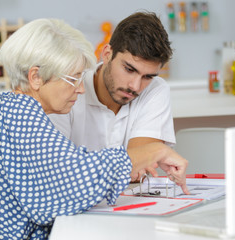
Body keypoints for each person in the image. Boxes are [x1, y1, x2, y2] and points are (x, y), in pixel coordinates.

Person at [0, 18, 188, 239]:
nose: (81, 89)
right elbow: (67, 181)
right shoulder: (19, 112)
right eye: (73, 78)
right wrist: (149, 152)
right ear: (35, 77)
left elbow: (61, 169)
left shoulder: (3, 108)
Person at [48, 12, 185, 181]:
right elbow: (58, 172)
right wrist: (135, 160)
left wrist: (138, 161)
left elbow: (137, 171)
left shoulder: (156, 89)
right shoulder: (70, 87)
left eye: (147, 76)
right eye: (129, 69)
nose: (135, 86)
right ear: (107, 54)